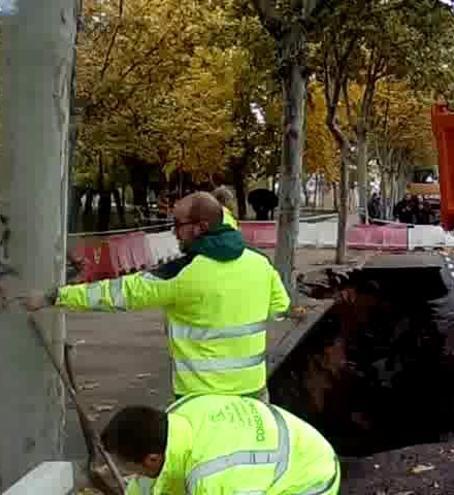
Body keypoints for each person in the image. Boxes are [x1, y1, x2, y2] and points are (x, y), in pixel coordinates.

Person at [24, 192, 290, 400]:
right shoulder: (259, 263)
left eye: (178, 225)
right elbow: (280, 306)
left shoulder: (182, 274)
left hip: (201, 398)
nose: (174, 232)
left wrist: (55, 296)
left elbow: (119, 293)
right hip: (253, 392)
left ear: (200, 227)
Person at [104, 395, 339, 495]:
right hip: (290, 445)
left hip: (310, 478)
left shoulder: (214, 479)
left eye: (131, 468)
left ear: (152, 459)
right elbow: (148, 484)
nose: (131, 475)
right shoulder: (179, 415)